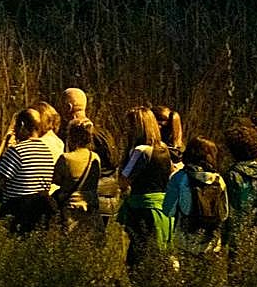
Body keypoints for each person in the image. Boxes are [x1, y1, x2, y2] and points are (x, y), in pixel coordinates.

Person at [117, 106, 174, 264]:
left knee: (138, 258)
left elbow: (123, 180)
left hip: (143, 210)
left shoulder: (141, 151)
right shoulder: (163, 148)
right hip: (162, 208)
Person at [0, 108, 55, 233]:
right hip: (39, 211)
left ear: (22, 125)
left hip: (17, 210)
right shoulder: (46, 151)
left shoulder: (16, 151)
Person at [61, 87, 120, 221]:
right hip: (108, 200)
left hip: (85, 201)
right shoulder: (104, 134)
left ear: (69, 107)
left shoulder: (75, 137)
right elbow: (114, 162)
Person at [163, 136, 228, 253]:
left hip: (185, 242)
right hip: (212, 243)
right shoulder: (219, 180)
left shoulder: (179, 178)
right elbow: (225, 214)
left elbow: (168, 210)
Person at [51, 118, 101, 232]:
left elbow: (56, 180)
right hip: (90, 207)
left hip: (71, 208)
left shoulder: (66, 158)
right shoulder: (95, 157)